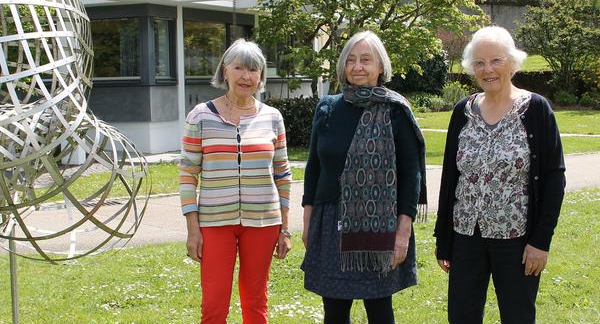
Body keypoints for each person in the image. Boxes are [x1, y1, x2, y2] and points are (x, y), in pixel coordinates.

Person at [434, 26, 566, 324]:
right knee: (462, 316)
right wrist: (445, 240)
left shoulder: (535, 109)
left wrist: (540, 242)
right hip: (466, 236)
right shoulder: (462, 111)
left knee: (518, 316)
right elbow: (449, 178)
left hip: (517, 239)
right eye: (479, 63)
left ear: (512, 62)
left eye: (496, 60)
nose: (487, 69)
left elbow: (554, 178)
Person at [301, 30, 427, 324]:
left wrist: (403, 233)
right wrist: (308, 221)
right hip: (331, 221)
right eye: (351, 60)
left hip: (379, 225)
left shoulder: (396, 110)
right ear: (343, 66)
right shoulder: (328, 108)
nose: (358, 67)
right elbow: (314, 167)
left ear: (380, 67)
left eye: (366, 60)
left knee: (380, 309)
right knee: (334, 309)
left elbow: (412, 175)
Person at [179, 39, 292, 324]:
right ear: (224, 71)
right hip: (214, 224)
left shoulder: (272, 118)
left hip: (264, 223)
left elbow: (282, 173)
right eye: (239, 68)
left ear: (261, 76)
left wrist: (285, 229)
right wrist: (193, 229)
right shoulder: (201, 116)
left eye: (253, 70)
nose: (246, 76)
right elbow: (187, 174)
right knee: (214, 305)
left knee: (256, 303)